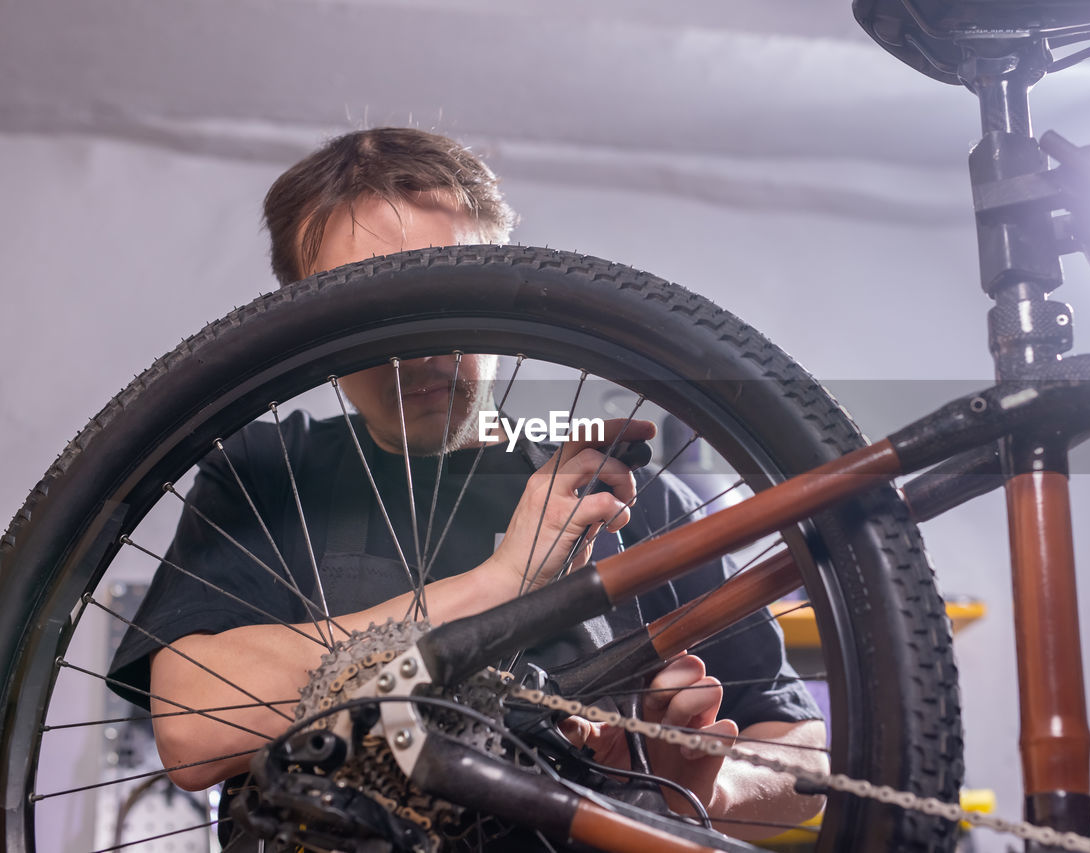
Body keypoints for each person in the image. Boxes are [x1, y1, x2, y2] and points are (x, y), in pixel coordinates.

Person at [109, 127, 826, 842]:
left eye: (442, 298)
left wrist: (702, 785)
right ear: (306, 330)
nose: (417, 352)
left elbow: (800, 751)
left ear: (499, 292)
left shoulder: (627, 493)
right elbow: (192, 728)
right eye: (367, 315)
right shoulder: (266, 469)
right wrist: (499, 586)